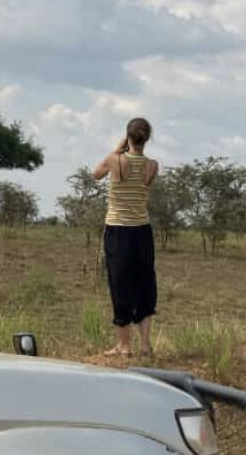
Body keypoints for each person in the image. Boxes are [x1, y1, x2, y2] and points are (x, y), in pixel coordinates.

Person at [92, 117, 159, 357]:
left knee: (121, 284)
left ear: (127, 136)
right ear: (147, 138)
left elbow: (96, 174)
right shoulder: (152, 166)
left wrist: (117, 148)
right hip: (142, 231)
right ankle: (145, 344)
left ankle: (124, 345)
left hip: (118, 230)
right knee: (144, 283)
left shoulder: (115, 160)